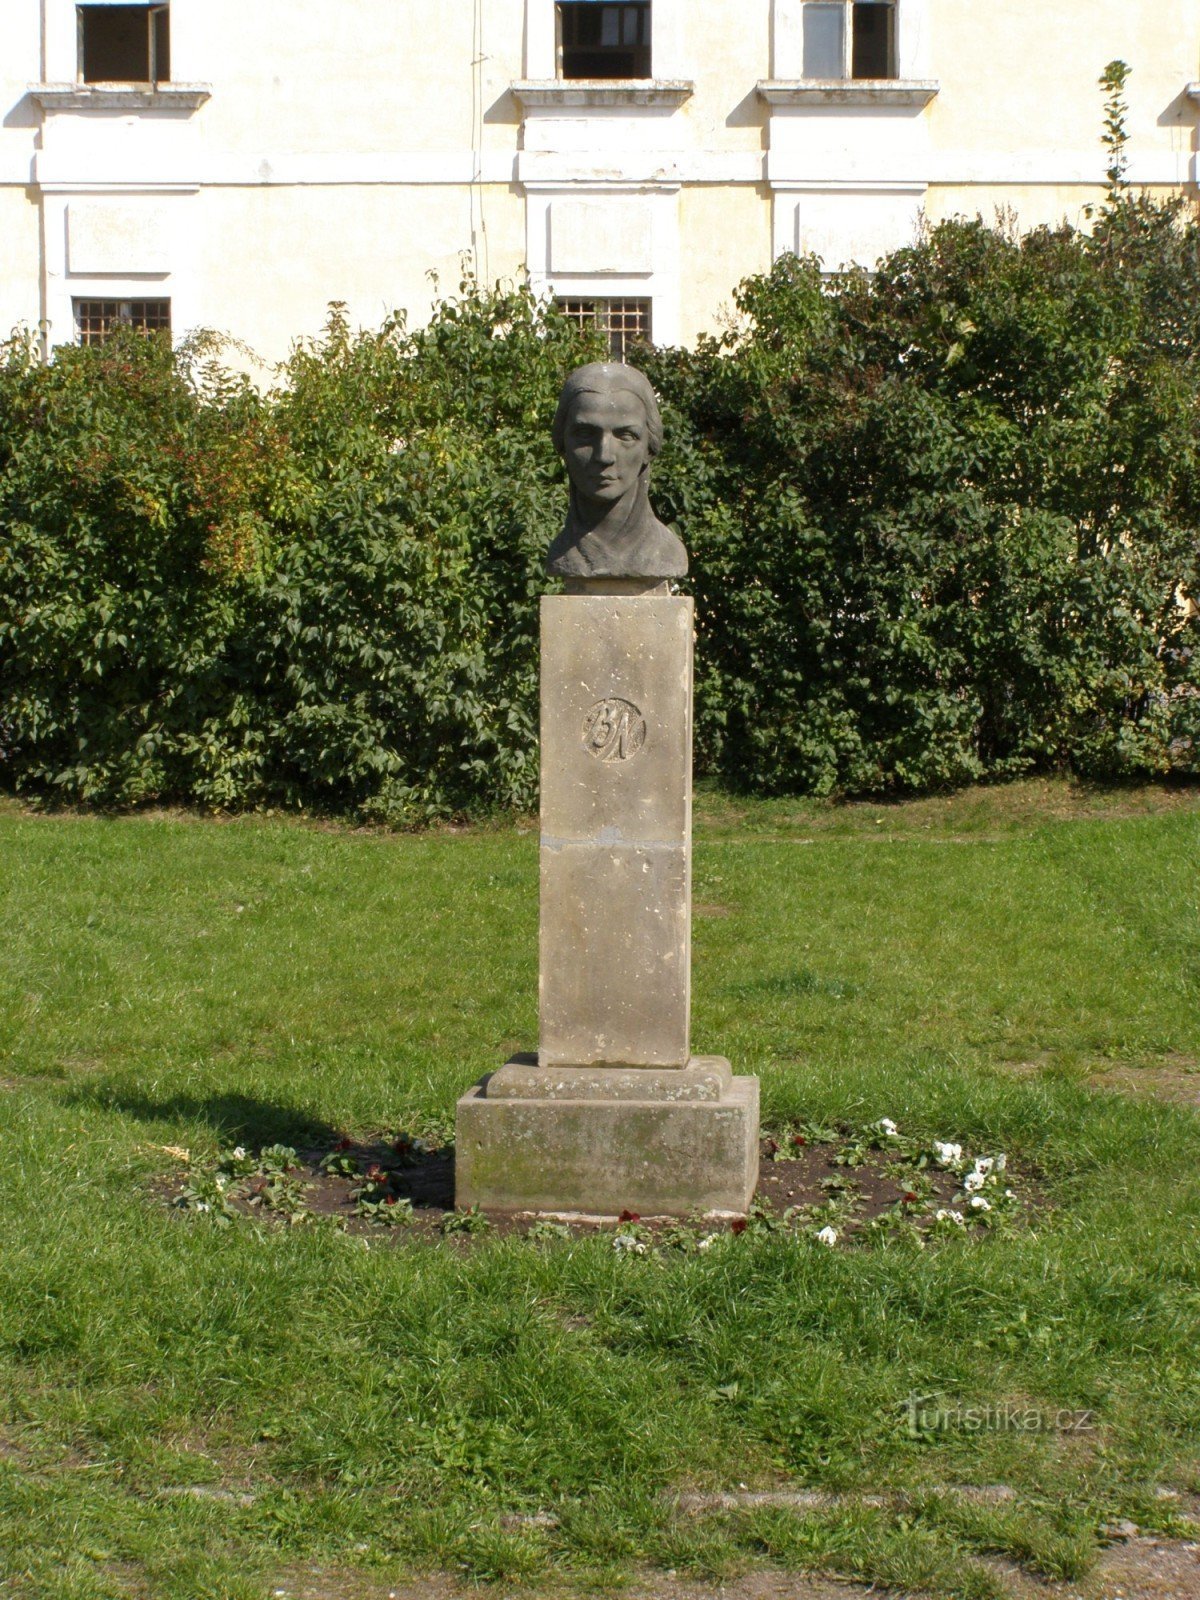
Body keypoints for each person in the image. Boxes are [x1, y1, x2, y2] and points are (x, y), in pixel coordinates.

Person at [546, 362, 688, 580]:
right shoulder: (562, 552)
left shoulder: (666, 554)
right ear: (562, 444)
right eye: (585, 434)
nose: (604, 455)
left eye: (626, 436)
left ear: (649, 448)